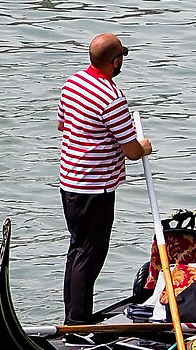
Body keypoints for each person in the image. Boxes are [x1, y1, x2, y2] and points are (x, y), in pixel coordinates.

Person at [57, 32, 151, 321]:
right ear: (115, 61)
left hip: (69, 182)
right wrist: (145, 146)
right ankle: (79, 323)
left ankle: (72, 317)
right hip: (95, 189)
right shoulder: (112, 98)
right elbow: (132, 150)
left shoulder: (72, 84)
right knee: (91, 255)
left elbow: (63, 126)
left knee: (77, 249)